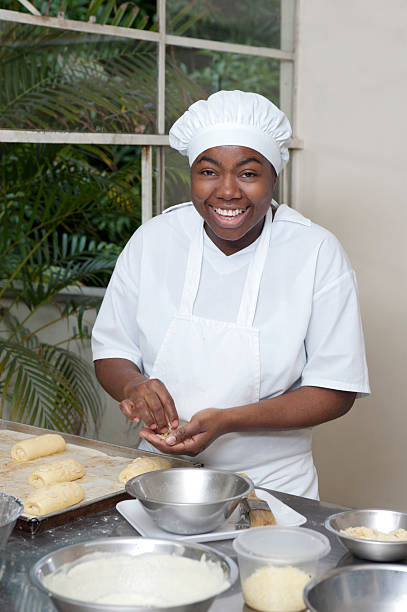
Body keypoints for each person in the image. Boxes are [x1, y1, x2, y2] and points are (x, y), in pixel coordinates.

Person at [91, 90, 370, 499]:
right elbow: (111, 352)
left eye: (248, 173)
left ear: (274, 177)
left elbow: (335, 389)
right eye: (208, 172)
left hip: (272, 487)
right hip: (158, 478)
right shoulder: (155, 239)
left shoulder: (315, 252)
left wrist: (227, 420)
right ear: (191, 175)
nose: (226, 192)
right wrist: (134, 386)